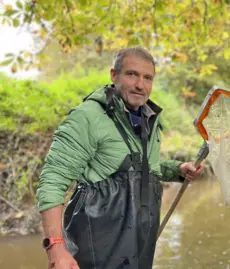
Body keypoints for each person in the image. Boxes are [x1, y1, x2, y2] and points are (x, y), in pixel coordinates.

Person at [36, 47, 204, 269]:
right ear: (114, 76)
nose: (140, 85)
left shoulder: (149, 119)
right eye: (132, 74)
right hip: (95, 252)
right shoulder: (87, 117)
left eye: (147, 78)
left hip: (138, 249)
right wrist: (56, 247)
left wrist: (178, 169)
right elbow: (51, 181)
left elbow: (144, 168)